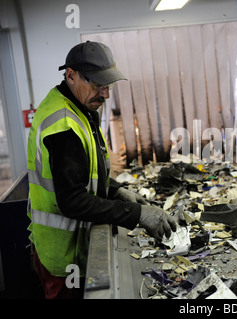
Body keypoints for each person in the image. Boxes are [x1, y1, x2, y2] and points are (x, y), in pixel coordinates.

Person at [27, 41, 177, 299]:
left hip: (74, 248)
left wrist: (117, 191)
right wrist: (138, 214)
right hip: (64, 257)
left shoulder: (80, 108)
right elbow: (72, 201)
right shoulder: (63, 125)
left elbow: (90, 172)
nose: (106, 94)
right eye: (98, 85)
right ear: (71, 76)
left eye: (108, 85)